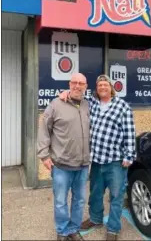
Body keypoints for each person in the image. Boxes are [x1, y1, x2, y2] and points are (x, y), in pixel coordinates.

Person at [60, 74, 136, 241]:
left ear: (111, 88)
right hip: (96, 160)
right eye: (100, 85)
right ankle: (95, 219)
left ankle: (113, 229)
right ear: (97, 88)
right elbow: (78, 91)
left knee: (116, 196)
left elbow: (129, 133)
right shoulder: (92, 103)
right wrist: (66, 92)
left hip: (116, 161)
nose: (102, 87)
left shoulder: (122, 106)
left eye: (105, 85)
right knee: (95, 193)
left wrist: (129, 155)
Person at [37, 73, 90, 241]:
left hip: (82, 165)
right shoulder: (56, 104)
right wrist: (44, 155)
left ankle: (73, 230)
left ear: (85, 87)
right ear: (69, 84)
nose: (77, 86)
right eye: (74, 82)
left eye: (81, 83)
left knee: (79, 201)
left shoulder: (88, 105)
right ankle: (61, 231)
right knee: (60, 201)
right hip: (61, 165)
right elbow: (44, 130)